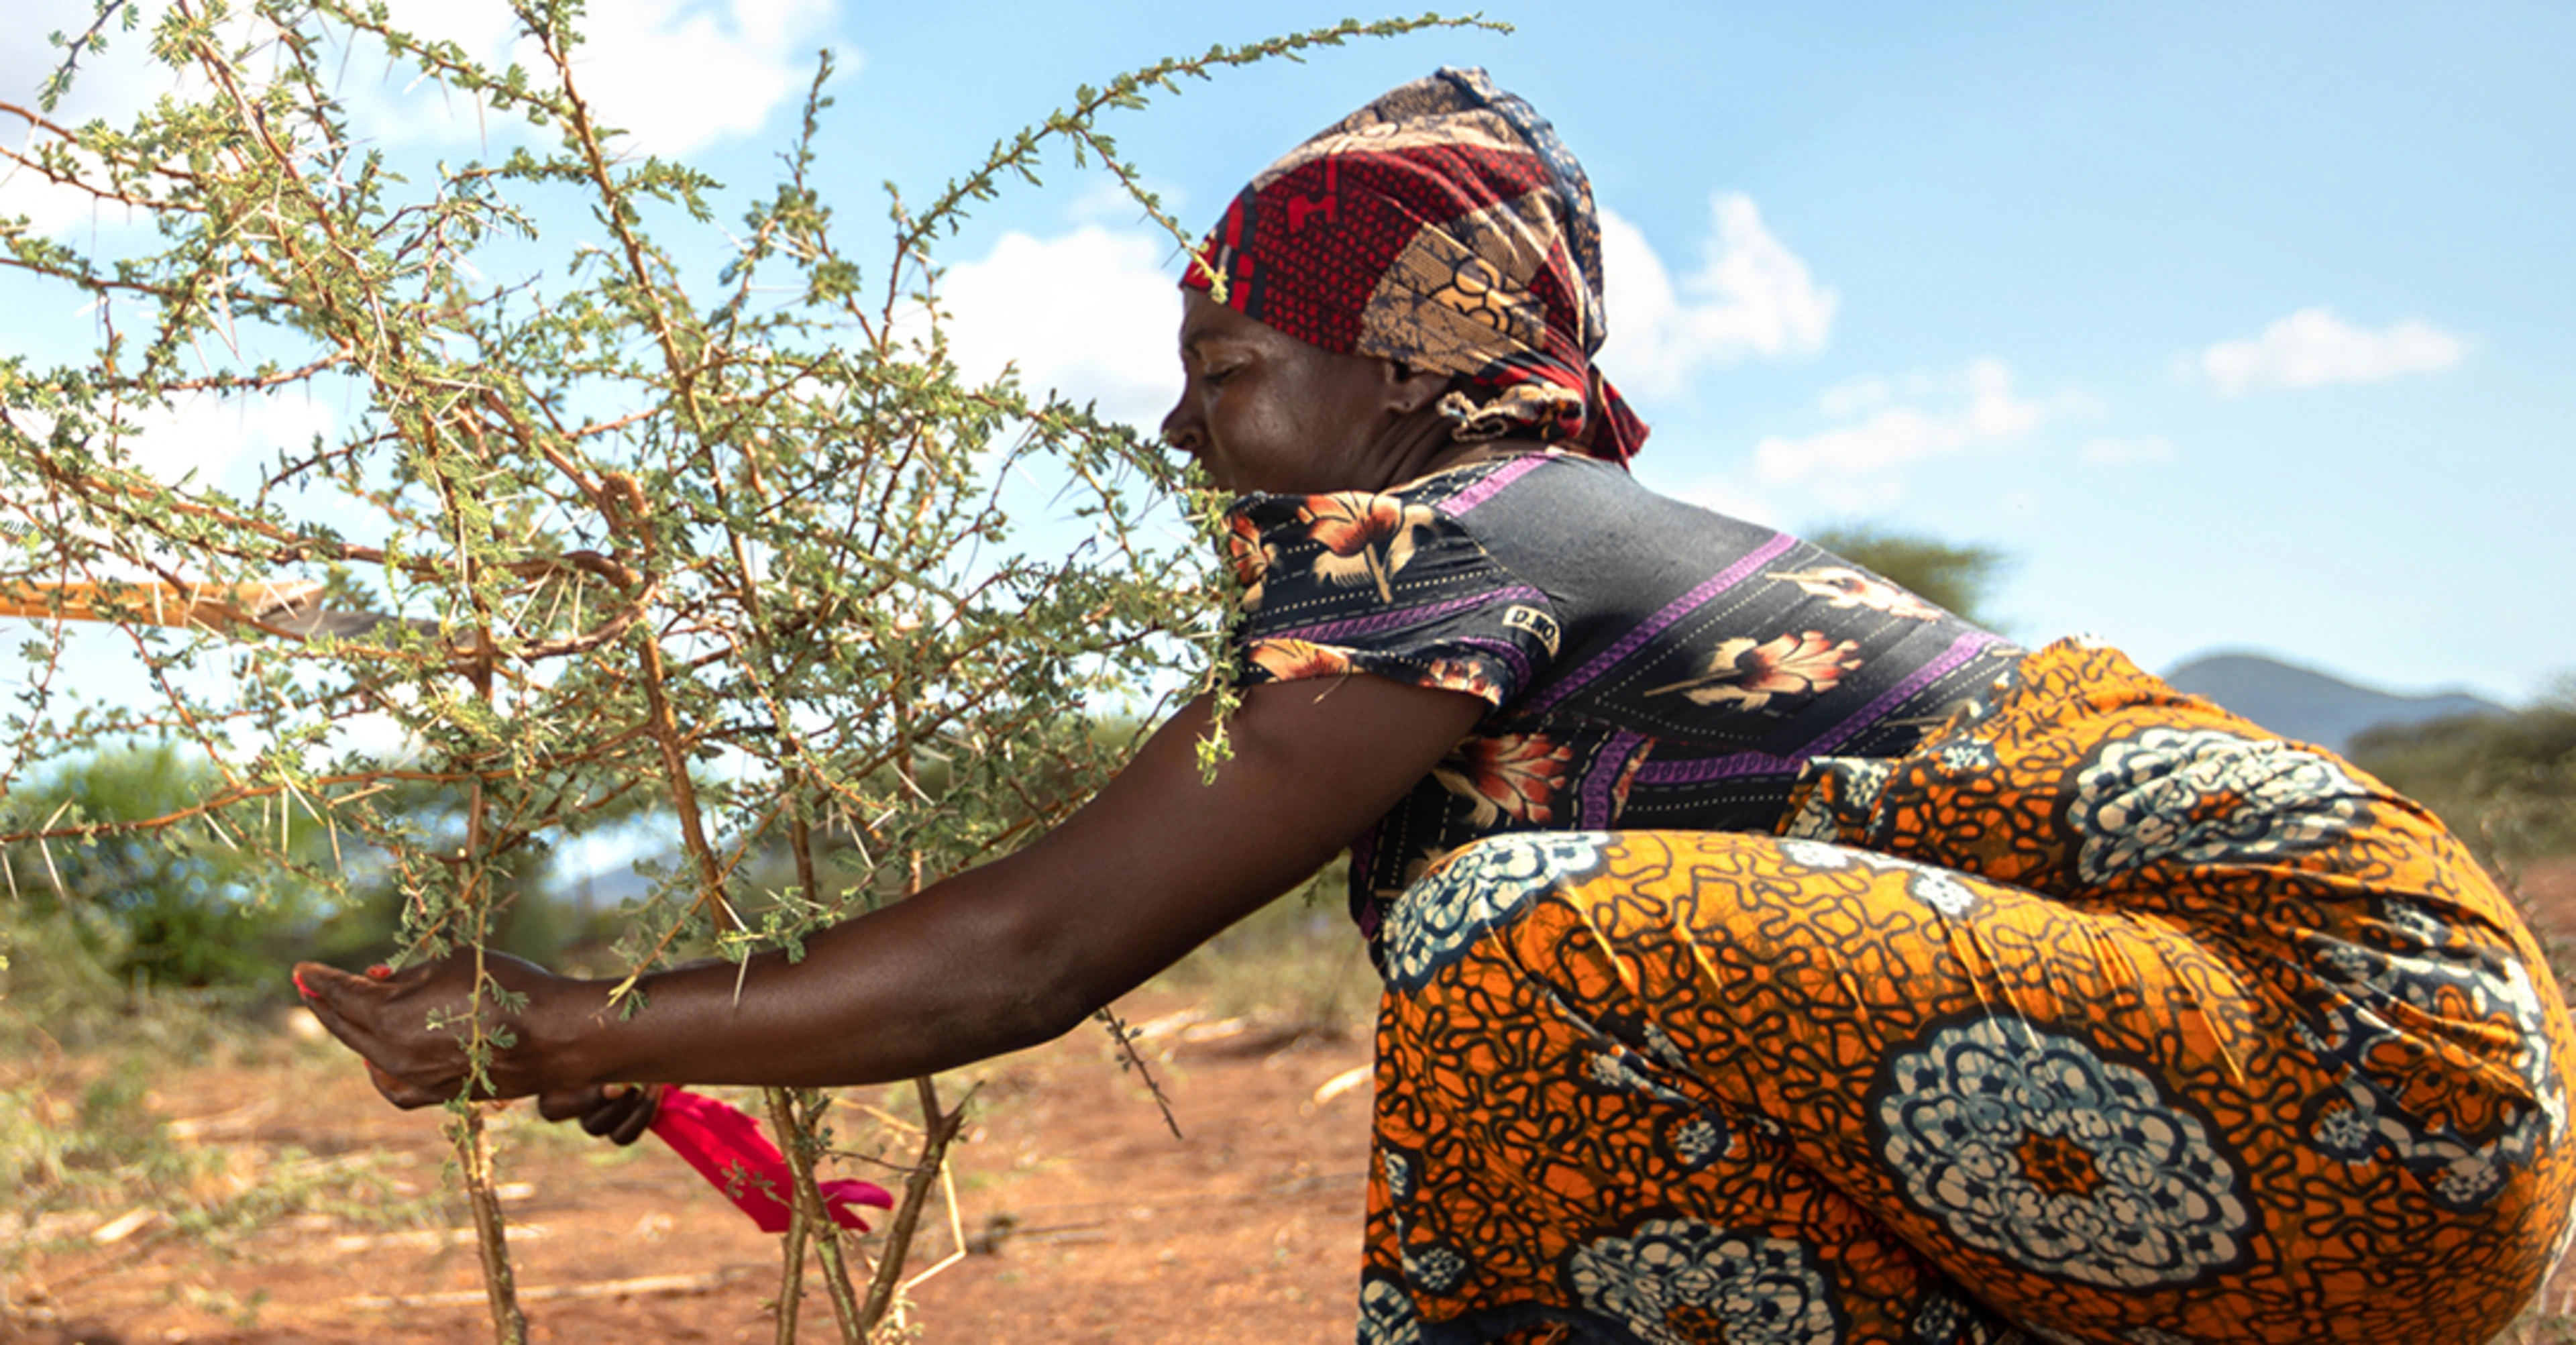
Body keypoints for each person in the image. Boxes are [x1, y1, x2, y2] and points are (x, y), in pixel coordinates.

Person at [298, 68, 2576, 1345]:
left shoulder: (1454, 528)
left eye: (1226, 371)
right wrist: (668, 1035)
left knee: (1525, 951)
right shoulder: (1521, 571)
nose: (1187, 441)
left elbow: (1035, 947)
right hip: (2321, 1124)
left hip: (2343, 1062)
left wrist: (577, 1021)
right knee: (1571, 973)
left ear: (1399, 364)